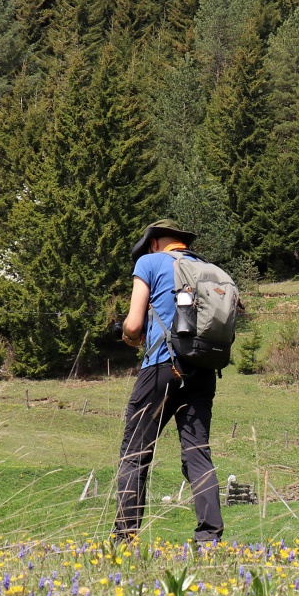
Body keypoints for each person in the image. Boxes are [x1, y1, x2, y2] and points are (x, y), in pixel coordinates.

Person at [113, 219, 223, 542]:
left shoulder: (149, 262)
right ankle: (209, 540)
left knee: (135, 453)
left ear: (154, 242)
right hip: (202, 370)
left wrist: (128, 336)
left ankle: (124, 539)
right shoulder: (205, 267)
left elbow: (134, 325)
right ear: (181, 242)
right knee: (197, 453)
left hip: (161, 367)